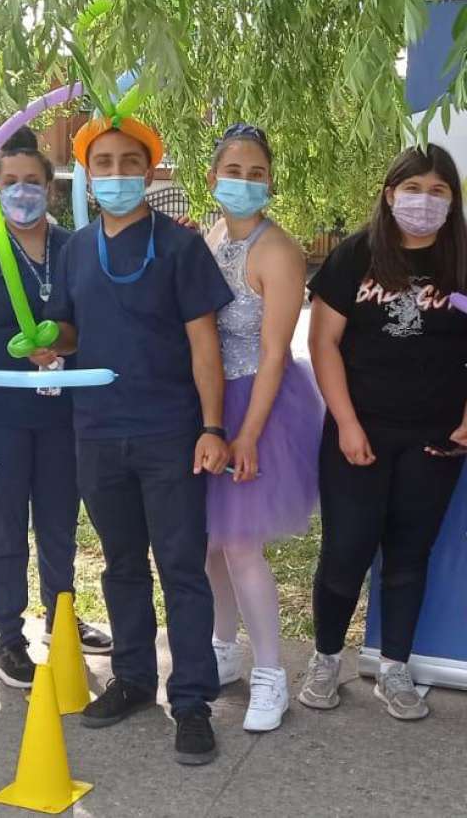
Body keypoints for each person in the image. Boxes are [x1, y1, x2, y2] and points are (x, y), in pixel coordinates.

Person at [43, 115, 233, 765]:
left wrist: (212, 427)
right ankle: (131, 678)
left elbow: (204, 342)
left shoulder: (180, 247)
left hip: (169, 432)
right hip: (96, 431)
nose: (118, 174)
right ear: (86, 174)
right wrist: (50, 345)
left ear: (150, 172)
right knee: (121, 564)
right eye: (105, 163)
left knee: (182, 568)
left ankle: (192, 703)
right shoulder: (74, 248)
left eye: (131, 162)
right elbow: (69, 333)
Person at [0, 128, 112, 688]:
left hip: (62, 416)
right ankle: (8, 640)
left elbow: (95, 328)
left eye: (33, 182)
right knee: (4, 531)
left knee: (59, 525)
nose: (22, 192)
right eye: (10, 183)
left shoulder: (76, 248)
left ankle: (61, 620)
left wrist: (63, 338)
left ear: (52, 189)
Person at [302, 143, 467, 721]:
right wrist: (346, 424)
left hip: (436, 440)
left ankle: (396, 667)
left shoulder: (463, 261)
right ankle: (325, 659)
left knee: (409, 554)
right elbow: (323, 344)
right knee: (346, 550)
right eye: (413, 189)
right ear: (389, 194)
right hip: (358, 435)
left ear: (453, 200)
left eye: (438, 190)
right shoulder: (355, 256)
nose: (424, 201)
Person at [200, 124, 322, 732]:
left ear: (270, 181)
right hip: (211, 404)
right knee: (209, 542)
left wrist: (247, 433)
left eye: (256, 173)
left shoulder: (280, 251)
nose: (244, 182)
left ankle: (272, 674)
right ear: (212, 177)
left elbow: (275, 352)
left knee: (242, 542)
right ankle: (224, 648)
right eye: (234, 171)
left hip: (261, 406)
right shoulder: (212, 231)